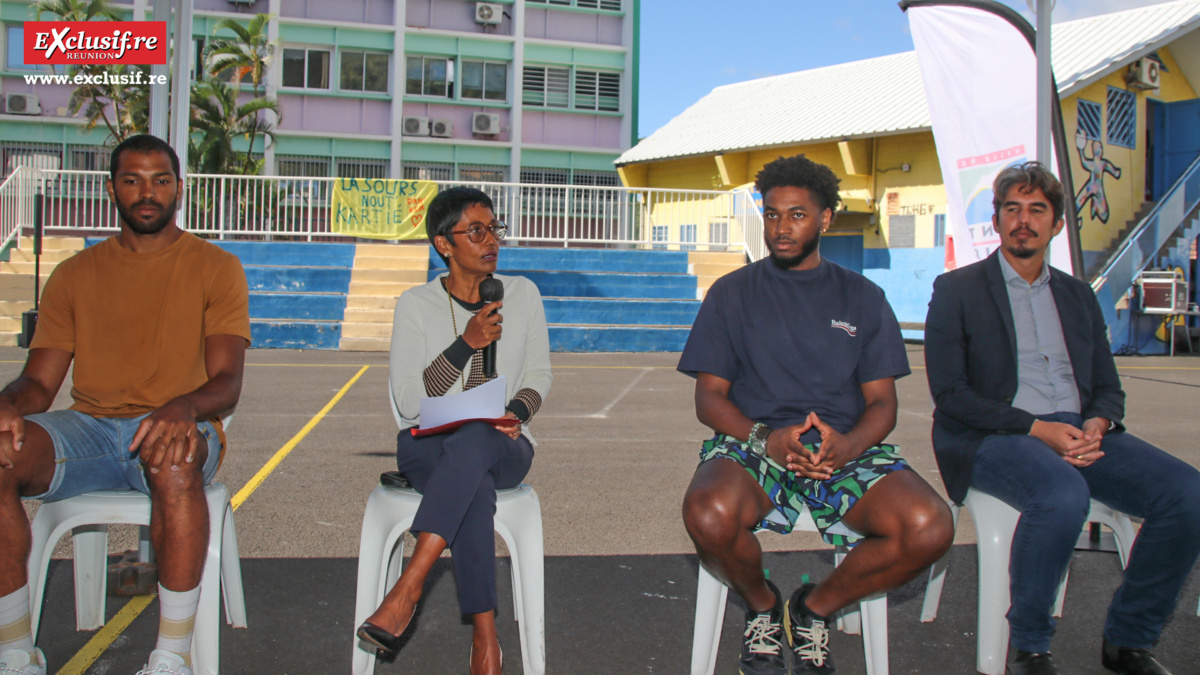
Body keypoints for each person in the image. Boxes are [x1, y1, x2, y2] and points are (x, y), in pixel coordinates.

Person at [679, 154, 954, 675]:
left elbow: (882, 405)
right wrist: (766, 438)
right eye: (772, 214)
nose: (781, 228)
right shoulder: (731, 294)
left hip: (843, 450)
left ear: (826, 218)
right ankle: (762, 605)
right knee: (707, 513)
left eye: (797, 215)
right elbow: (709, 399)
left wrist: (848, 446)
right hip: (753, 445)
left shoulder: (864, 297)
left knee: (929, 525)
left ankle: (812, 610)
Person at [924, 162, 1200, 675]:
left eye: (1036, 210)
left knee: (1187, 494)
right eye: (1012, 209)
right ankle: (1030, 646)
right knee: (1061, 494)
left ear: (1056, 225)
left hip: (1078, 429)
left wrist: (1098, 424)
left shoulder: (1078, 296)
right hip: (995, 434)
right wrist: (1036, 429)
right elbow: (951, 394)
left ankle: (1129, 641)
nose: (1023, 220)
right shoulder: (957, 290)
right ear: (997, 219)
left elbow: (1107, 389)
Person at [0, 134, 249, 675]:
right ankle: (16, 652)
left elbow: (227, 381)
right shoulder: (75, 273)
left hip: (177, 423)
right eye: (132, 180)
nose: (147, 192)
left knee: (174, 460)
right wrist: (6, 406)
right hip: (88, 429)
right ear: (112, 188)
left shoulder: (216, 266)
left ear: (179, 190)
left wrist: (182, 408)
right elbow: (38, 385)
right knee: (0, 452)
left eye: (160, 180)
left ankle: (171, 656)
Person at [356, 187, 551, 675]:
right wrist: (465, 344)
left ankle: (410, 584)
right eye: (476, 231)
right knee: (472, 476)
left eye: (494, 229)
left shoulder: (523, 294)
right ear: (445, 244)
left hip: (503, 441)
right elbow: (409, 403)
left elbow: (540, 377)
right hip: (429, 445)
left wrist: (514, 415)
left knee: (478, 440)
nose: (491, 241)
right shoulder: (416, 305)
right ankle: (486, 635)